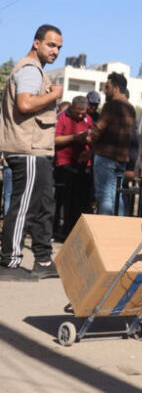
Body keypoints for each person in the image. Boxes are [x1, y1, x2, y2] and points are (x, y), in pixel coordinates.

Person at [0, 24, 64, 280]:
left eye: (59, 47)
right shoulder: (29, 69)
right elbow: (25, 104)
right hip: (27, 149)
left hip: (37, 150)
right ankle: (9, 262)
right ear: (36, 43)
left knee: (43, 206)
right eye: (51, 44)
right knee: (24, 206)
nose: (55, 51)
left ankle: (43, 260)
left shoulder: (36, 71)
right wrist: (55, 95)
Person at [88, 72, 136, 216]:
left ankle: (103, 235)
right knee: (116, 196)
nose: (104, 90)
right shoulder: (131, 108)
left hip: (105, 157)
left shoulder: (111, 105)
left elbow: (98, 130)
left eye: (107, 87)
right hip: (121, 159)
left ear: (115, 88)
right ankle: (116, 233)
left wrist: (89, 140)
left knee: (104, 197)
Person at [54, 96, 93, 236]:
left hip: (83, 164)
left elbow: (92, 137)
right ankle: (62, 231)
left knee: (81, 200)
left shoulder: (88, 118)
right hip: (65, 163)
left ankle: (76, 232)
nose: (81, 115)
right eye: (77, 112)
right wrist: (74, 137)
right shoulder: (62, 117)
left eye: (83, 112)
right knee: (65, 200)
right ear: (71, 107)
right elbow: (55, 139)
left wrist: (88, 141)